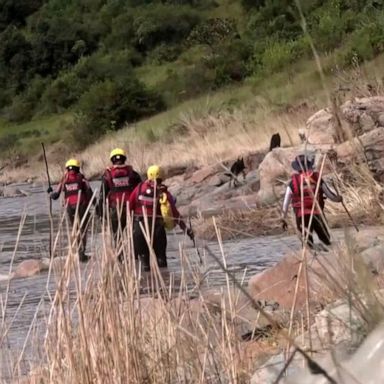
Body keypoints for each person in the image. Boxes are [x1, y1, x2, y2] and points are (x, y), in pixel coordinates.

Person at [128, 164, 194, 271]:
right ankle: (166, 283)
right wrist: (186, 230)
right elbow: (174, 213)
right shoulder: (164, 193)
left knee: (144, 264)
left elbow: (129, 206)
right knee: (161, 261)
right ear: (161, 177)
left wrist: (129, 228)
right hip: (157, 229)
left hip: (140, 229)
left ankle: (147, 285)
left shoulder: (139, 188)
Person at [281, 154, 342, 250]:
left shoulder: (293, 182)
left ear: (297, 168)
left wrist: (283, 219)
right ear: (309, 165)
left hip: (302, 217)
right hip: (318, 215)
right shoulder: (316, 178)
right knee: (326, 240)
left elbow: (285, 203)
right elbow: (330, 195)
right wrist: (338, 199)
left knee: (307, 245)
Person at [96, 148, 141, 257]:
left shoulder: (107, 174)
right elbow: (140, 190)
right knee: (132, 233)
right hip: (131, 208)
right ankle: (134, 256)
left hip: (115, 209)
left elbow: (102, 195)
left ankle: (120, 257)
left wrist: (101, 213)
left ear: (112, 160)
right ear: (124, 159)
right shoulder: (133, 173)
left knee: (117, 235)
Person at [48, 159, 93, 262]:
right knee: (83, 230)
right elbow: (90, 193)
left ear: (67, 168)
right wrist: (98, 206)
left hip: (70, 208)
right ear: (78, 168)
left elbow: (55, 195)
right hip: (82, 207)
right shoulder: (82, 178)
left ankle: (78, 251)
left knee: (75, 229)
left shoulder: (64, 179)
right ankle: (82, 253)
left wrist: (50, 193)